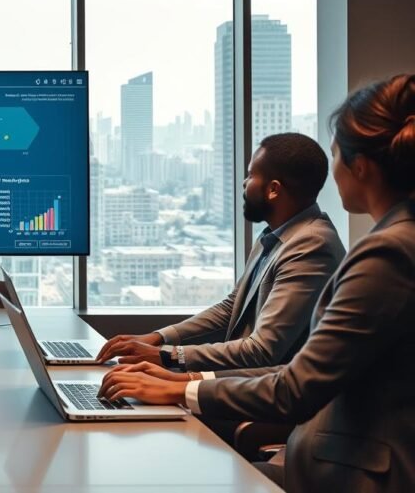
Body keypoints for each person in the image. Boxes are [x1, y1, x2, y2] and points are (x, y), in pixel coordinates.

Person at [100, 75, 415, 492]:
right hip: (325, 454)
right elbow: (242, 316)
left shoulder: (385, 253)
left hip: (348, 474)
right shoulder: (383, 240)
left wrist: (177, 384)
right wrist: (171, 366)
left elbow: (294, 386)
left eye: (336, 154)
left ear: (360, 166)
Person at [95, 133, 345, 373]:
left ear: (273, 189)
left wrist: (167, 356)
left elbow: (262, 350)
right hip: (239, 382)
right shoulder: (274, 237)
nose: (244, 183)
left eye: (251, 175)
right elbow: (231, 308)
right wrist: (158, 338)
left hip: (268, 395)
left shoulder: (311, 246)